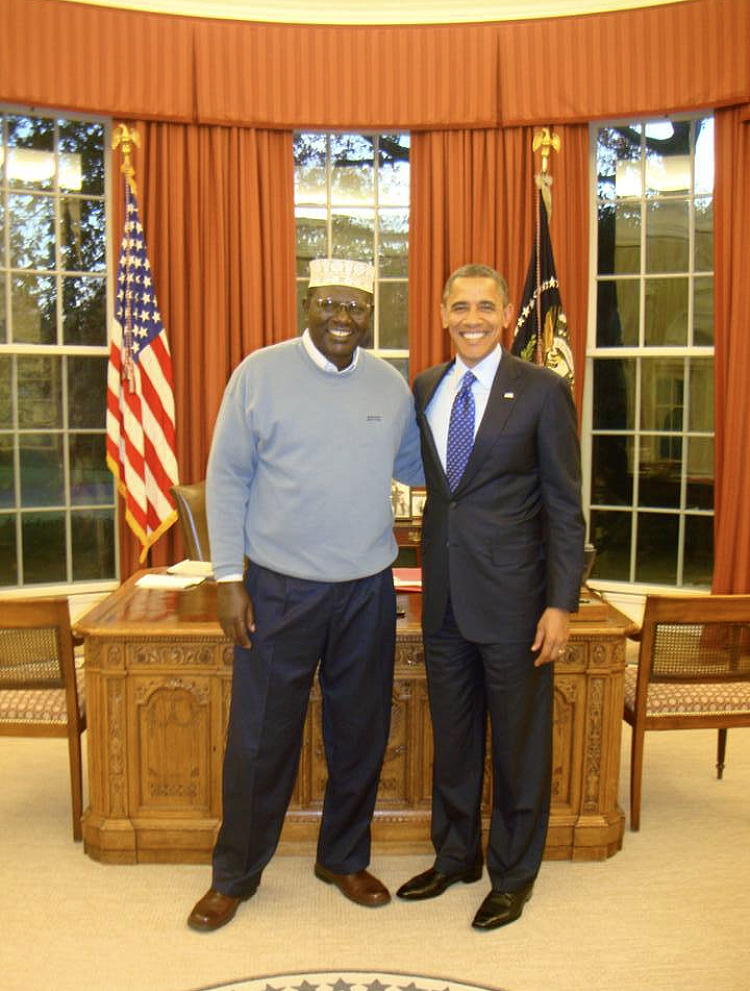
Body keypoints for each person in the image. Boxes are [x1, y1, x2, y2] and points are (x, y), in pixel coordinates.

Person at [188, 258, 424, 932]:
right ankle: (234, 874)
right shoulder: (257, 374)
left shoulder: (390, 384)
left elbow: (416, 468)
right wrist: (228, 578)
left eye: (355, 304)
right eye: (329, 302)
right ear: (307, 302)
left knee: (360, 732)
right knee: (260, 739)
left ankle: (343, 858)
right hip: (278, 588)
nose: (342, 316)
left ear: (370, 312)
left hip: (366, 589)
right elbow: (226, 478)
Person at [397, 264, 585, 930]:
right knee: (452, 741)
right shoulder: (424, 386)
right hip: (444, 598)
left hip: (516, 604)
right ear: (443, 312)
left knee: (517, 745)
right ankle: (456, 857)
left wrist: (561, 602)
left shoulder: (541, 390)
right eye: (459, 306)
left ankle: (512, 874)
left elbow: (565, 505)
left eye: (484, 306)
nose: (471, 317)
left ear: (507, 315)